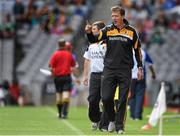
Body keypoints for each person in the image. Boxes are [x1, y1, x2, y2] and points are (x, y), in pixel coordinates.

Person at [85, 6, 143, 134]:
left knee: (122, 100)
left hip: (125, 70)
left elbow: (137, 50)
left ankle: (119, 127)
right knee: (106, 98)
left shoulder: (132, 32)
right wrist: (89, 32)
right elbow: (94, 39)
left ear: (122, 16)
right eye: (112, 16)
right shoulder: (108, 30)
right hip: (109, 70)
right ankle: (111, 119)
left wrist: (139, 67)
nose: (114, 18)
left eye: (116, 16)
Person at [83, 21, 109, 131]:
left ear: (100, 30)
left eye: (94, 29)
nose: (92, 31)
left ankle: (104, 124)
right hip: (94, 76)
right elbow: (87, 60)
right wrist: (85, 76)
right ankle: (95, 119)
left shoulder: (108, 43)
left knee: (106, 100)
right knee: (93, 100)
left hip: (106, 75)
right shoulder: (91, 45)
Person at [49, 38, 76, 119]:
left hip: (57, 77)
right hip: (67, 77)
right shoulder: (69, 54)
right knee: (66, 95)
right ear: (64, 45)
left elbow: (51, 67)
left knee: (58, 96)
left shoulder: (55, 54)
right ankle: (64, 113)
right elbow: (73, 66)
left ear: (58, 45)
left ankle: (60, 113)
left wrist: (53, 74)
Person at [129, 48, 156, 120]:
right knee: (140, 96)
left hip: (131, 77)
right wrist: (153, 74)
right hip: (141, 76)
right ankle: (137, 116)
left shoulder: (129, 51)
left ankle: (132, 115)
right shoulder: (143, 52)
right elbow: (150, 64)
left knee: (132, 96)